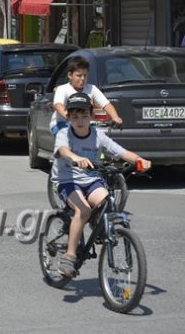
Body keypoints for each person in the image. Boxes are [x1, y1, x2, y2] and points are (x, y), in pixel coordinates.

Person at [50, 92, 151, 277]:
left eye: (84, 115)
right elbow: (63, 150)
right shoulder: (65, 133)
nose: (80, 120)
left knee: (106, 203)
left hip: (91, 180)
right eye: (75, 116)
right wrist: (75, 157)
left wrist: (139, 159)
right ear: (69, 117)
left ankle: (98, 229)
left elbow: (119, 151)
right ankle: (69, 256)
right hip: (68, 181)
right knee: (83, 210)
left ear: (92, 116)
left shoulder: (97, 134)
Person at [50, 56, 122, 135]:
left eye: (85, 75)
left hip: (84, 125)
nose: (82, 78)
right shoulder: (62, 89)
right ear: (70, 75)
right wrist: (70, 116)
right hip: (61, 124)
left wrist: (115, 117)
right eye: (79, 75)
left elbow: (106, 104)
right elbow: (58, 105)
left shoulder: (92, 89)